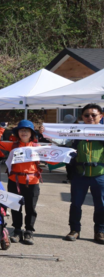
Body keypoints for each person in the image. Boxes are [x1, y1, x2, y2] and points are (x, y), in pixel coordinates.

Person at [49, 103, 104, 243]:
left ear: (101, 116)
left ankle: (100, 231)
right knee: (75, 204)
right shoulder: (76, 132)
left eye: (93, 115)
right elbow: (62, 141)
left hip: (100, 174)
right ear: (82, 117)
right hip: (80, 175)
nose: (90, 117)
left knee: (101, 205)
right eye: (86, 115)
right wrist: (47, 134)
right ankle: (74, 230)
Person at [0, 120, 42, 245]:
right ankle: (17, 230)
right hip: (15, 181)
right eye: (21, 130)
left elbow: (52, 159)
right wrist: (1, 129)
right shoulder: (13, 146)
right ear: (17, 133)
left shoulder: (38, 147)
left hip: (32, 182)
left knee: (31, 208)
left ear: (31, 133)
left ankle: (29, 231)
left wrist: (67, 155)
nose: (24, 132)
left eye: (27, 130)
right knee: (15, 207)